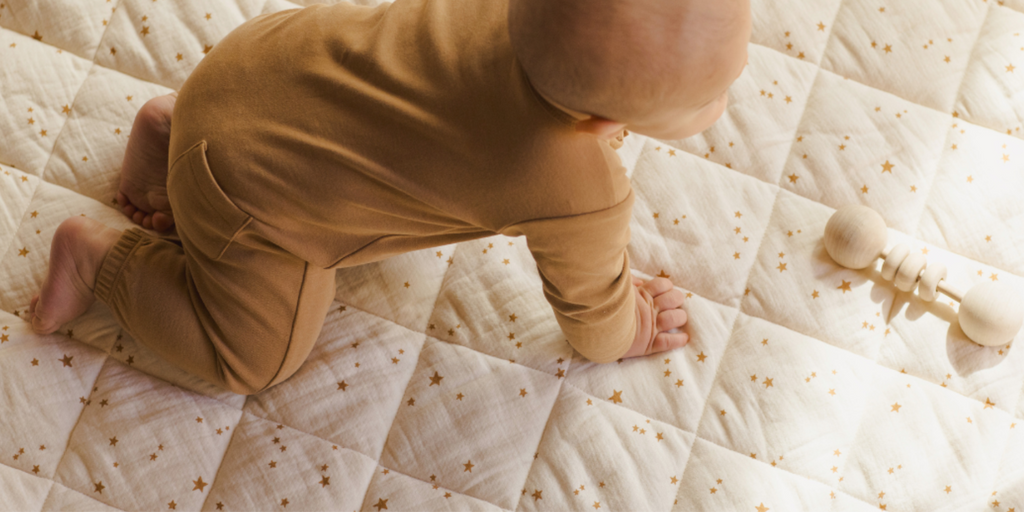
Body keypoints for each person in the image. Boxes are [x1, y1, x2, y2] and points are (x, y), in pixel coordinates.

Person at [28, 0, 751, 395]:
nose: (728, 93)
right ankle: (98, 260)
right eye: (714, 93)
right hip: (251, 200)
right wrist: (632, 327)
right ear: (599, 122)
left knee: (256, 118)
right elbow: (592, 314)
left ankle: (169, 126)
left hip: (248, 66)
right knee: (254, 362)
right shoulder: (581, 193)